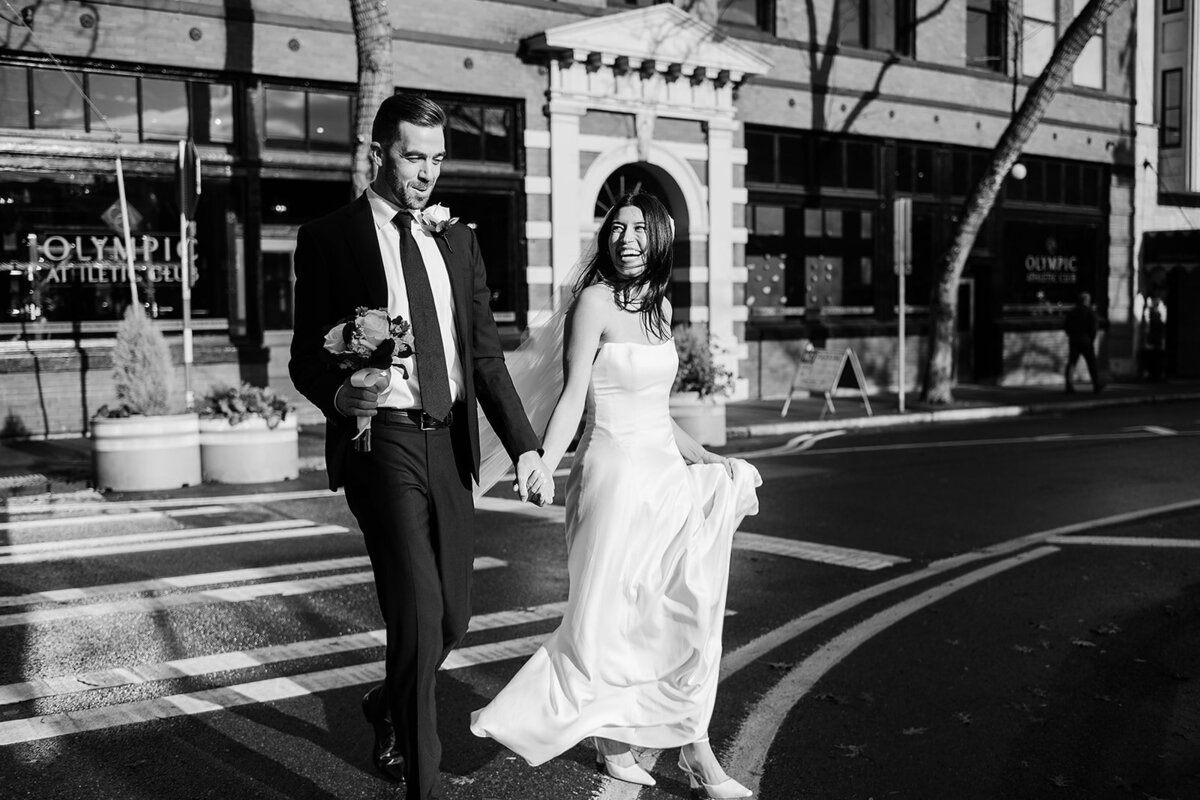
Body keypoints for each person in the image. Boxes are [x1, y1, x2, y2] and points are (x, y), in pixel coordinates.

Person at [288, 93, 552, 800]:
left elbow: (487, 361)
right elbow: (304, 359)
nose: (428, 172)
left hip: (451, 443)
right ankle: (423, 784)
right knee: (415, 609)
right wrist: (340, 396)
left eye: (437, 158)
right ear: (379, 154)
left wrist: (525, 446)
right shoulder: (329, 238)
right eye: (413, 156)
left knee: (454, 619)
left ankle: (385, 703)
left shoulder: (456, 241)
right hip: (384, 442)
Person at [470, 191, 762, 799]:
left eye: (639, 227)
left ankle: (646, 743)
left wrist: (705, 458)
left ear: (659, 237)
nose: (627, 237)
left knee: (676, 615)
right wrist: (543, 464)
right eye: (617, 226)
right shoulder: (594, 303)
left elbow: (657, 411)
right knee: (607, 618)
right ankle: (667, 750)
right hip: (612, 476)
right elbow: (574, 395)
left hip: (664, 477)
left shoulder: (659, 305)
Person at [1063, 291, 1104, 394]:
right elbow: (1094, 328)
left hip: (1074, 340)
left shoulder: (1072, 312)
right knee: (1091, 364)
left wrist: (1071, 335)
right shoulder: (1090, 312)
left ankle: (1069, 386)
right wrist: (1091, 339)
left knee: (1072, 363)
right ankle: (1096, 385)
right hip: (1086, 340)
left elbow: (1067, 326)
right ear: (1086, 301)